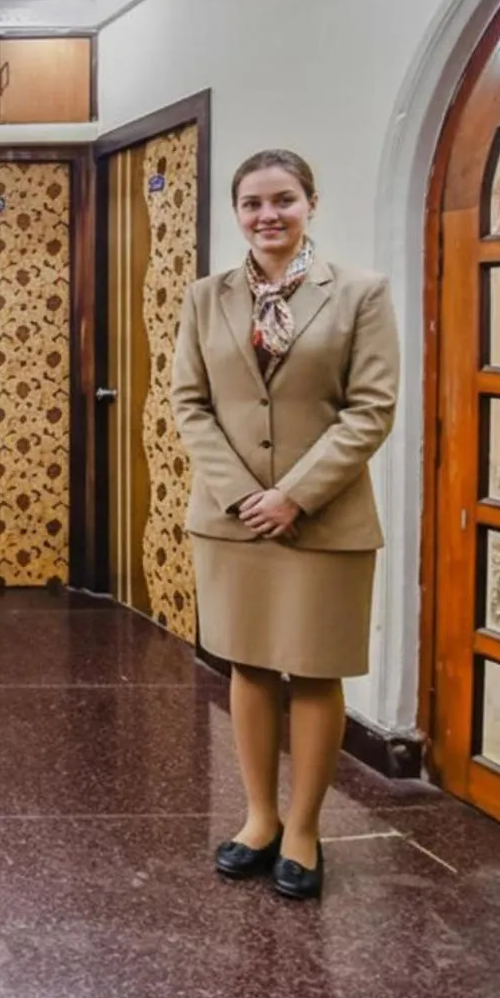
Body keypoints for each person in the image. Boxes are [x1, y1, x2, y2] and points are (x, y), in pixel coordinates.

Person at [171, 149, 399, 901]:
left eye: (284, 199)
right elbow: (189, 403)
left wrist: (295, 494)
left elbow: (371, 408)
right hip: (232, 520)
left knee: (315, 669)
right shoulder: (207, 297)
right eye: (252, 203)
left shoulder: (360, 293)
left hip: (324, 519)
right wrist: (243, 493)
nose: (268, 214)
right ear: (237, 213)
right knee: (250, 665)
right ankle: (259, 818)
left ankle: (304, 827)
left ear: (311, 203)